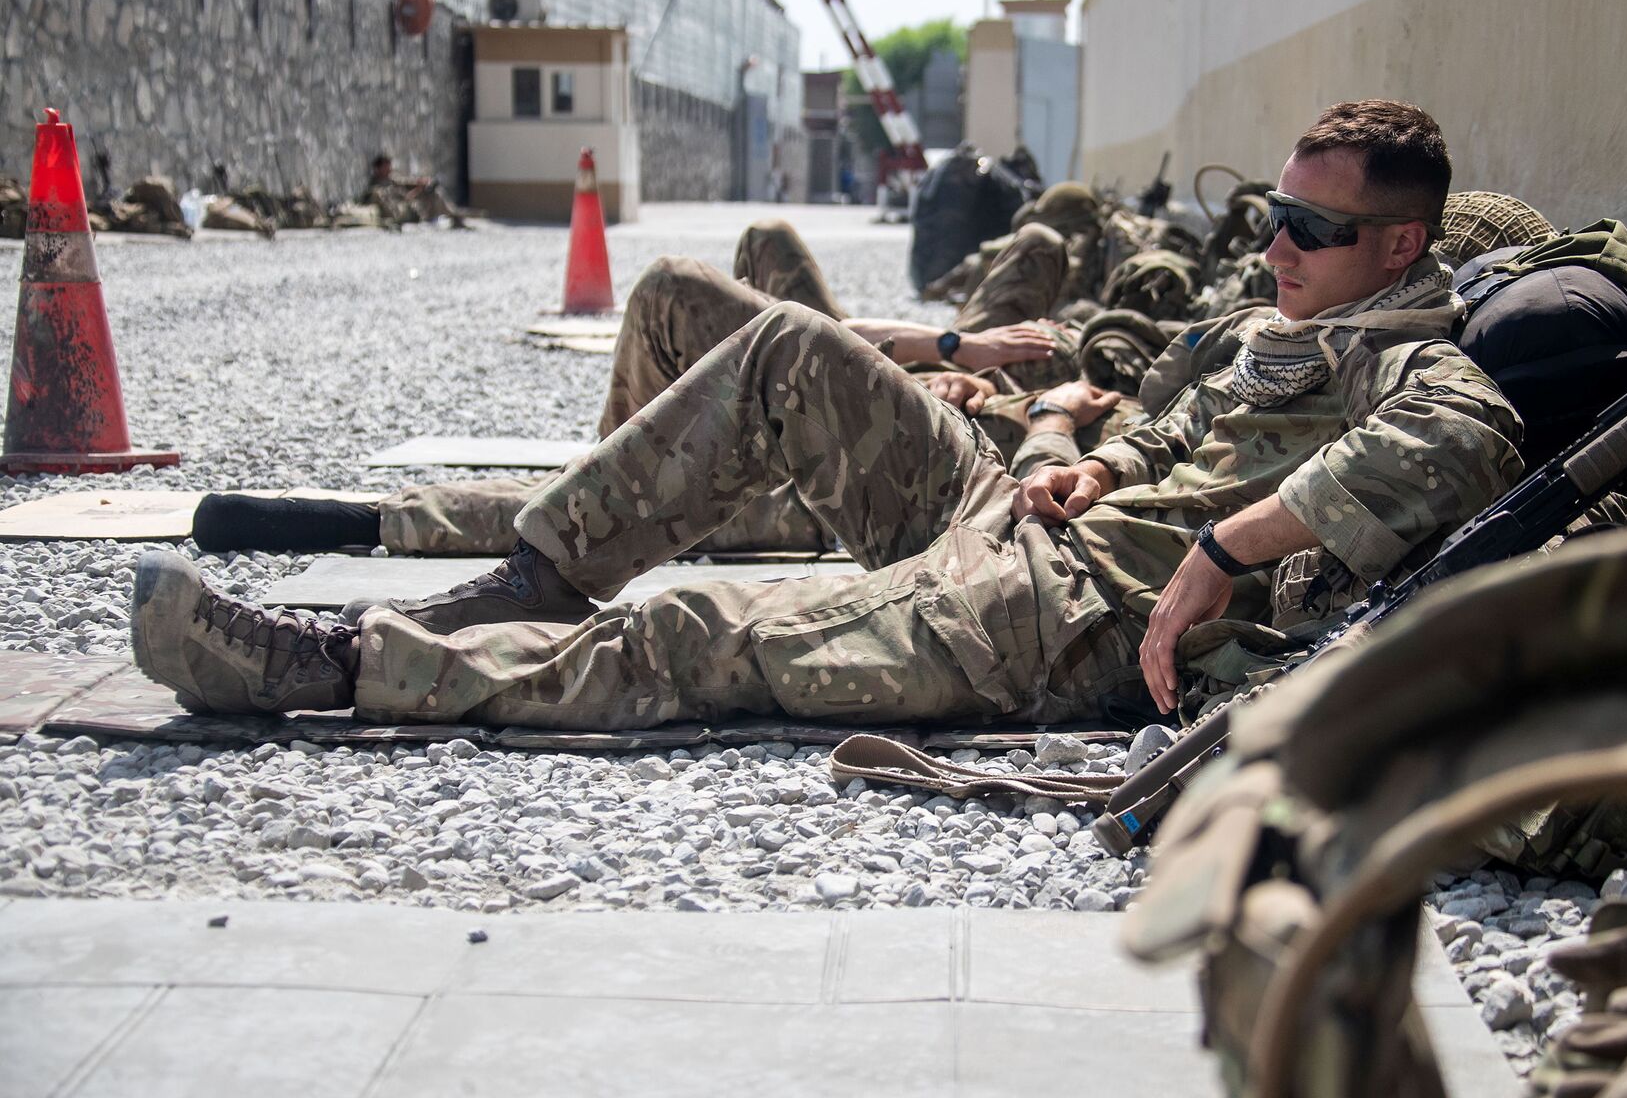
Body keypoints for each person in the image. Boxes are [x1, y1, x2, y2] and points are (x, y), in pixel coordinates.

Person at [128, 100, 1522, 735]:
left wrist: (1223, 550)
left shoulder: (1407, 358)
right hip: (1029, 524)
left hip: (1070, 623)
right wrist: (1076, 463)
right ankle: (534, 576)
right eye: (1273, 214)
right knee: (785, 346)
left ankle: (328, 669)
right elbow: (1149, 423)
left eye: (1309, 227)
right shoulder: (1268, 330)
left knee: (699, 641)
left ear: (1397, 249)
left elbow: (1466, 445)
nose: (1274, 244)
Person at [189, 217, 1089, 557]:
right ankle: (623, 462)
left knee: (673, 297)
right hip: (917, 405)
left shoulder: (1086, 418)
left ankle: (378, 519)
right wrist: (959, 352)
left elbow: (1060, 496)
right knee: (759, 250)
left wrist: (1042, 414)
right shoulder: (1068, 365)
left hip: (889, 466)